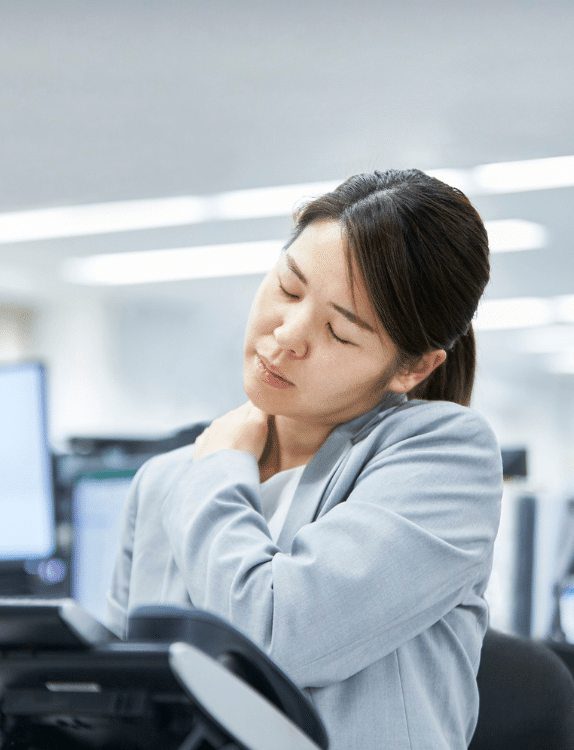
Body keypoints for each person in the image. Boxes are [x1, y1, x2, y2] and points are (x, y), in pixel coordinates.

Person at [105, 169, 503, 750]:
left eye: (341, 332)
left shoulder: (446, 457)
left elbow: (271, 638)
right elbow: (120, 702)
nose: (288, 334)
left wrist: (219, 469)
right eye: (289, 288)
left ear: (410, 369)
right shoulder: (163, 482)